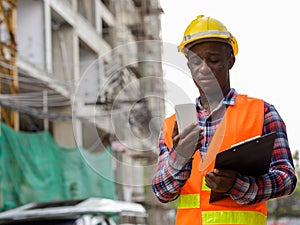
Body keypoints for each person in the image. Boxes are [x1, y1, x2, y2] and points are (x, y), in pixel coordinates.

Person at [152, 15, 297, 225]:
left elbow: (287, 179)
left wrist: (237, 185)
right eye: (195, 61)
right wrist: (180, 158)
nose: (204, 68)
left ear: (230, 60)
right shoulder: (172, 125)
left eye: (213, 60)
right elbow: (161, 193)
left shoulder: (262, 113)